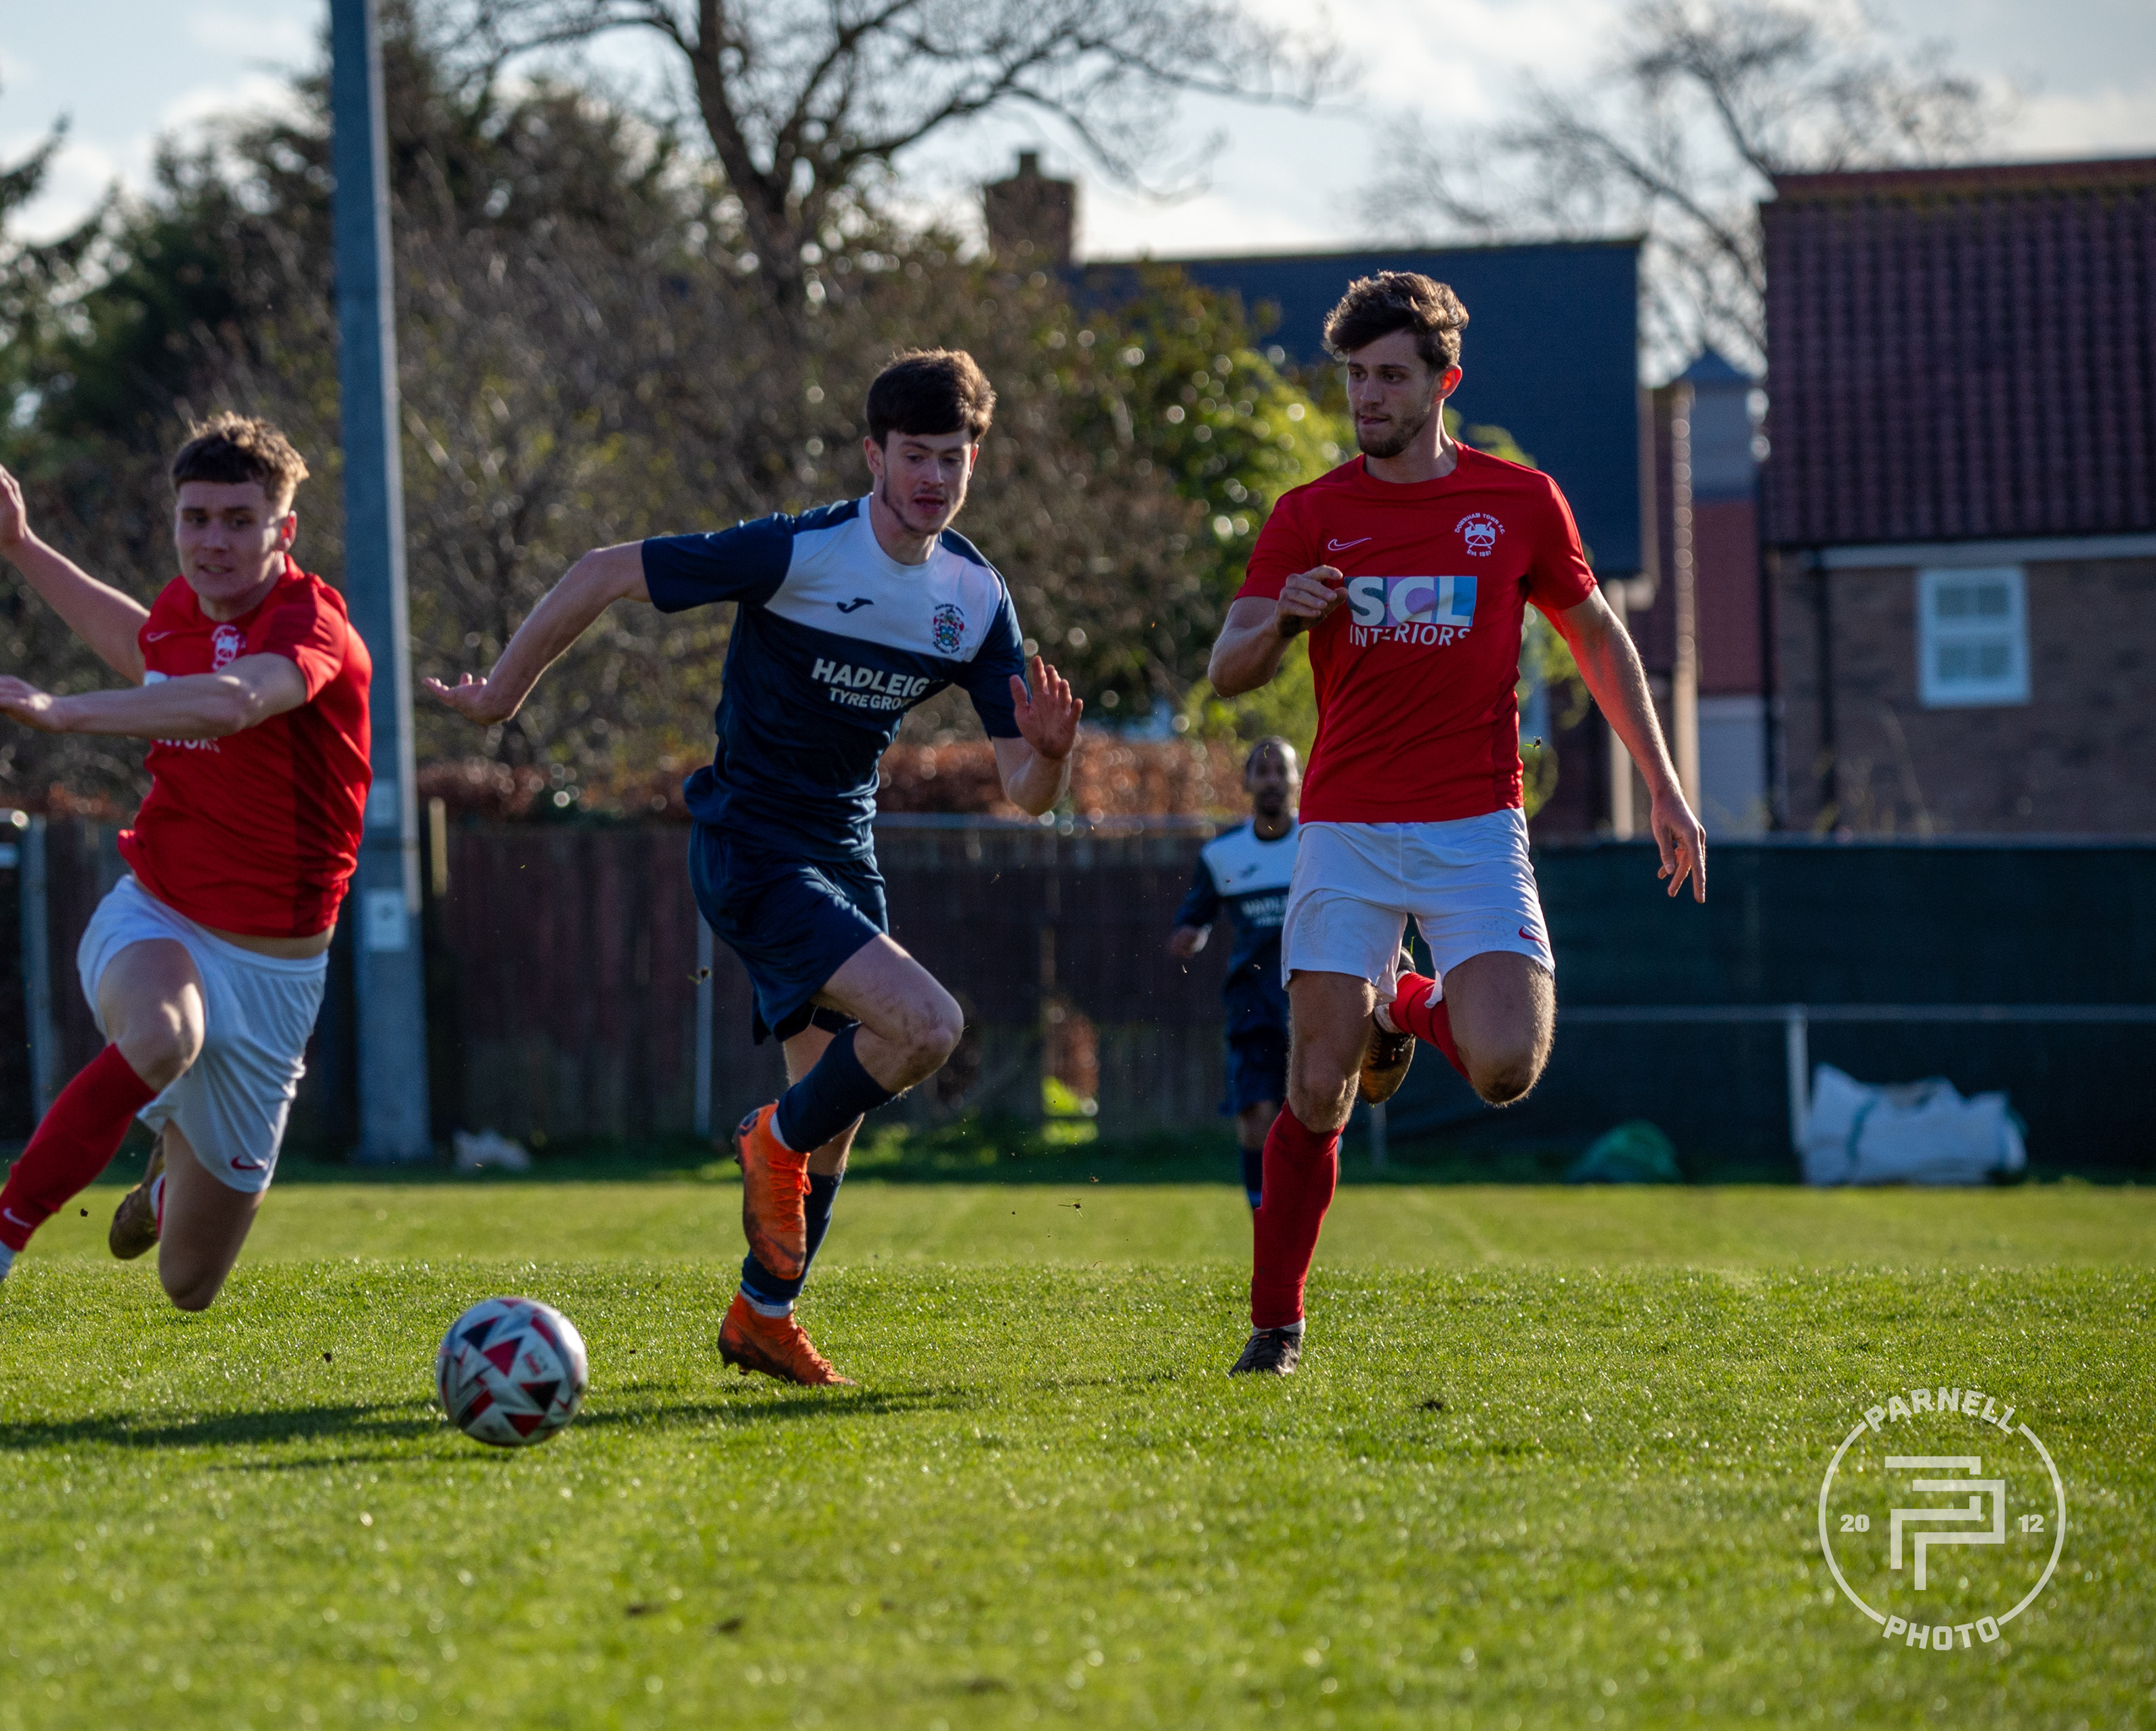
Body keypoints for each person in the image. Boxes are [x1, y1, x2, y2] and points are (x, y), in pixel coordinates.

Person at [427, 349, 1082, 1387]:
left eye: (953, 458)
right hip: (751, 845)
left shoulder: (973, 596)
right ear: (872, 455)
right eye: (914, 455)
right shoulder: (798, 551)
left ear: (974, 462)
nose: (933, 478)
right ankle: (769, 1142)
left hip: (844, 853)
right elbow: (601, 570)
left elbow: (1027, 792)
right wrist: (502, 697)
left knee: (835, 1119)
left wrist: (1049, 753)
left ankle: (763, 1316)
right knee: (926, 1026)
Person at [1205, 272, 1708, 1376]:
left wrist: (1665, 786)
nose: (1368, 397)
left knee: (1505, 1067)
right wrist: (1282, 621)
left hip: (1475, 828)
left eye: (1391, 376)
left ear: (1445, 383)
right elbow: (1227, 666)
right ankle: (1276, 1325)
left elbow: (1597, 638)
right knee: (1317, 1087)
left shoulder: (1520, 503)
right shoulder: (1310, 515)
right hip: (1345, 828)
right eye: (1356, 376)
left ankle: (1404, 1002)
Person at [0, 414, 372, 1352]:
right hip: (159, 917)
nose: (213, 541)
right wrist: (20, 545)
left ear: (284, 531)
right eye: (196, 519)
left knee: (188, 1285)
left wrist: (61, 711)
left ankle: (163, 1181)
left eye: (239, 520)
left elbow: (234, 702)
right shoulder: (183, 611)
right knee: (162, 1035)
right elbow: (138, 642)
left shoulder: (309, 623)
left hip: (277, 977)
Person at [1167, 737, 1308, 1210]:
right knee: (1255, 1119)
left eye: (1281, 770)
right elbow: (1195, 917)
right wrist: (1189, 935)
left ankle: (1303, 1209)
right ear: (1247, 782)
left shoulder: (1319, 844)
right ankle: (1263, 1221)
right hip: (1253, 1003)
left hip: (1314, 1004)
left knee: (1314, 1118)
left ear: (1297, 780)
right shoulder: (1222, 854)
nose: (1272, 780)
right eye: (1261, 771)